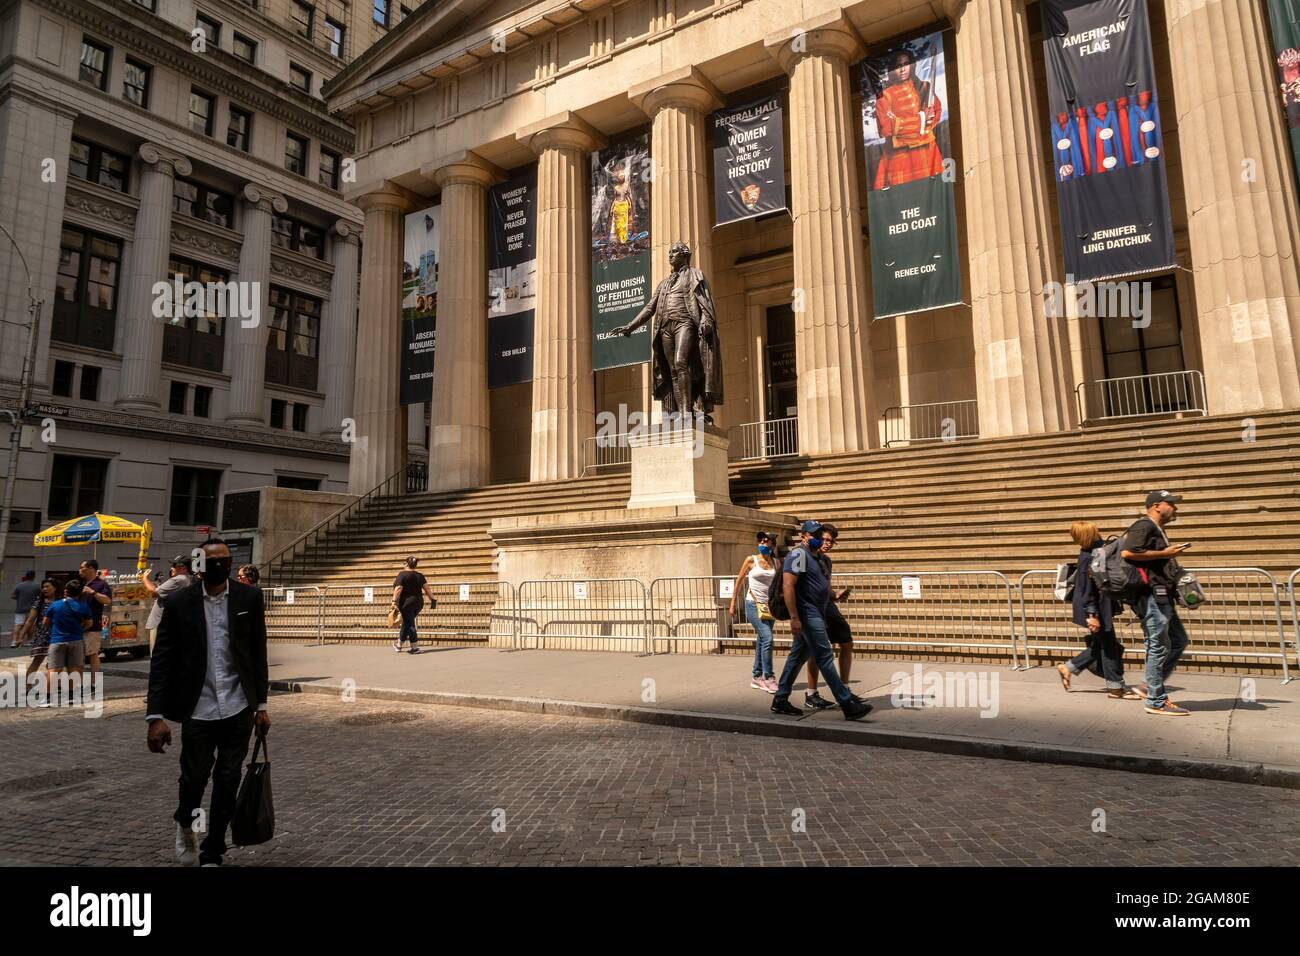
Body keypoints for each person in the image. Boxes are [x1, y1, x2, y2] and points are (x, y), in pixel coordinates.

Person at [146, 537, 270, 867]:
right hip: (197, 707)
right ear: (199, 565)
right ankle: (185, 823)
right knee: (194, 778)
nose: (221, 566)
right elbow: (162, 660)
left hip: (238, 705)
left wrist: (262, 705)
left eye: (226, 560)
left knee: (228, 779)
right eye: (212, 561)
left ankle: (214, 849)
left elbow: (257, 653)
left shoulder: (249, 597)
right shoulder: (179, 603)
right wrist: (155, 716)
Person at [770, 520, 872, 721]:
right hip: (807, 614)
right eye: (814, 535)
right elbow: (788, 586)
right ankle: (847, 704)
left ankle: (780, 699)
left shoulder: (818, 559)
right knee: (824, 656)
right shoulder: (799, 555)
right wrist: (794, 618)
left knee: (797, 657)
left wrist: (834, 595)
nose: (818, 539)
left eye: (819, 535)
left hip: (817, 612)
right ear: (804, 536)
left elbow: (817, 586)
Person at [1121, 491, 1193, 716]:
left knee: (1178, 641)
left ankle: (1148, 686)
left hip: (1162, 595)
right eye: (1171, 504)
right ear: (1156, 505)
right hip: (1151, 595)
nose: (1175, 508)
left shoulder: (1158, 529)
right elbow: (1127, 552)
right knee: (1158, 645)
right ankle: (1155, 700)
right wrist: (1165, 553)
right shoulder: (1144, 526)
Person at [1055, 522, 1142, 700]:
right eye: (1095, 530)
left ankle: (1069, 668)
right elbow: (1088, 588)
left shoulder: (1097, 551)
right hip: (1096, 608)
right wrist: (1092, 615)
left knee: (1101, 645)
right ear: (1090, 534)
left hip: (1100, 606)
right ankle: (1115, 688)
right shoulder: (1092, 556)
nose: (1099, 532)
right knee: (1108, 646)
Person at [803, 524, 868, 709]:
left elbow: (826, 588)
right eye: (824, 539)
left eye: (831, 541)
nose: (827, 543)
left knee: (847, 643)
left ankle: (845, 688)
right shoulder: (806, 557)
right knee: (815, 652)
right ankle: (811, 693)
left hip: (829, 609)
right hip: (813, 610)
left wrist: (836, 594)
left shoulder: (827, 561)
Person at [727, 531, 778, 693]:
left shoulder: (776, 563)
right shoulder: (751, 560)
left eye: (766, 542)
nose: (762, 544)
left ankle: (757, 677)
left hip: (769, 607)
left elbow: (778, 585)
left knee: (762, 640)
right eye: (761, 541)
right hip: (752, 604)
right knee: (768, 638)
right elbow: (739, 580)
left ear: (772, 545)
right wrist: (733, 603)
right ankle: (769, 677)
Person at [44, 578, 91, 704]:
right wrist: (80, 629)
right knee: (75, 669)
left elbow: (45, 622)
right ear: (80, 592)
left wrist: (55, 628)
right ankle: (72, 697)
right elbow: (89, 623)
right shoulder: (83, 606)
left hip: (57, 640)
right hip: (76, 640)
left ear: (66, 591)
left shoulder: (55, 605)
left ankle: (48, 698)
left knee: (53, 670)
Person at [143, 556, 192, 652]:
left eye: (174, 566)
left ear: (184, 569)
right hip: (168, 622)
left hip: (161, 622)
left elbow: (154, 592)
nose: (171, 568)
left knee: (156, 654)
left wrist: (145, 578)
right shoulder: (185, 579)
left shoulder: (179, 579)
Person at [78, 560, 111, 695]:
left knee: (92, 654)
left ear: (91, 568)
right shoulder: (80, 583)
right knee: (77, 656)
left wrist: (92, 592)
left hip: (92, 626)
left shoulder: (101, 584)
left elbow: (107, 600)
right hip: (77, 625)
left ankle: (93, 683)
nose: (79, 570)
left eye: (82, 568)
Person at [391, 556, 436, 654]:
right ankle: (399, 645)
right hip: (418, 603)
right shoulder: (419, 575)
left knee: (410, 624)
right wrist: (432, 598)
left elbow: (398, 588)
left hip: (406, 603)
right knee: (407, 622)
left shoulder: (402, 575)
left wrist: (393, 601)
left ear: (406, 564)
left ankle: (415, 647)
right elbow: (427, 588)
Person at [24, 579, 58, 695]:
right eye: (43, 587)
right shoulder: (39, 602)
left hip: (57, 635)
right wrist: (21, 635)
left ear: (55, 588)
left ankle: (52, 686)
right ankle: (28, 687)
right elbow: (30, 620)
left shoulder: (60, 601)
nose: (44, 589)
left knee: (54, 663)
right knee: (37, 661)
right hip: (42, 635)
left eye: (47, 586)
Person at [9, 570, 40, 647]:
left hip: (20, 608)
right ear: (34, 576)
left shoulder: (19, 585)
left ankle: (14, 641)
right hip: (32, 610)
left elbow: (13, 596)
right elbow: (40, 597)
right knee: (30, 625)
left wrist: (20, 598)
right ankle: (28, 641)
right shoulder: (37, 586)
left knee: (18, 625)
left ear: (26, 576)